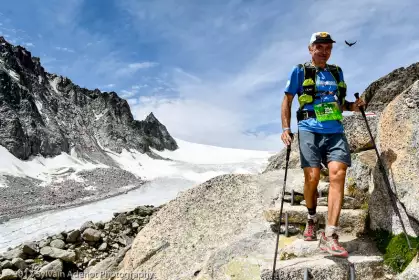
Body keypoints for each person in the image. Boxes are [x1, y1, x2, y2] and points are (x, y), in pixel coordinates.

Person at [280, 31, 365, 257]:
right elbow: (287, 101)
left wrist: (354, 107)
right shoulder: (300, 71)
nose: (324, 50)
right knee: (313, 177)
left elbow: (339, 105)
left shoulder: (337, 73)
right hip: (309, 129)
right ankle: (311, 217)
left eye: (328, 47)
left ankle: (330, 234)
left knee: (338, 173)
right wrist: (286, 129)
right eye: (319, 46)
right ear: (310, 48)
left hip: (335, 129)